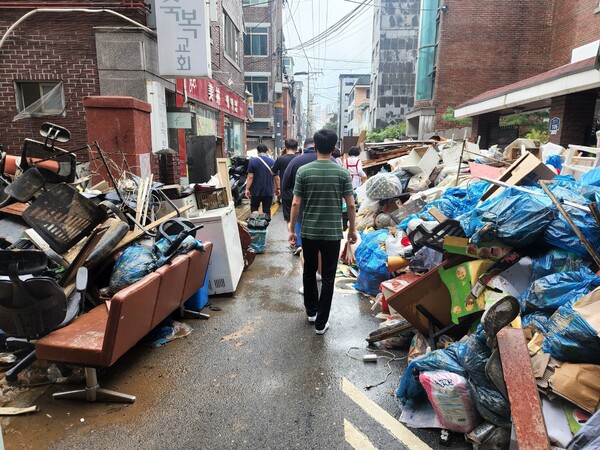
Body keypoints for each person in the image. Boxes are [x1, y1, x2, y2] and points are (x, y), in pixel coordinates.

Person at [288, 129, 358, 335]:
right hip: (332, 234)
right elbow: (351, 205)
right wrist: (352, 230)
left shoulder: (304, 171)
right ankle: (321, 323)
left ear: (315, 147)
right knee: (328, 277)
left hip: (309, 232)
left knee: (309, 271)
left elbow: (295, 203)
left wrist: (292, 230)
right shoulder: (342, 172)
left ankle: (311, 312)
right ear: (334, 148)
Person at [245, 144, 276, 216]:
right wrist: (277, 188)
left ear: (257, 152)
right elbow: (276, 177)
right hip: (268, 191)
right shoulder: (273, 162)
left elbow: (250, 177)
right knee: (267, 210)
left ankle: (255, 224)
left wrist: (247, 189)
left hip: (256, 191)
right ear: (267, 151)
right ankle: (265, 225)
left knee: (254, 208)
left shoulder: (253, 162)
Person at [272, 139, 298, 223]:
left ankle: (290, 233)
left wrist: (277, 187)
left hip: (285, 191)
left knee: (288, 218)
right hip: (298, 191)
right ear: (296, 148)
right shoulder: (299, 159)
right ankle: (296, 233)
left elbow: (273, 172)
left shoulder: (280, 159)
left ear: (285, 147)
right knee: (297, 217)